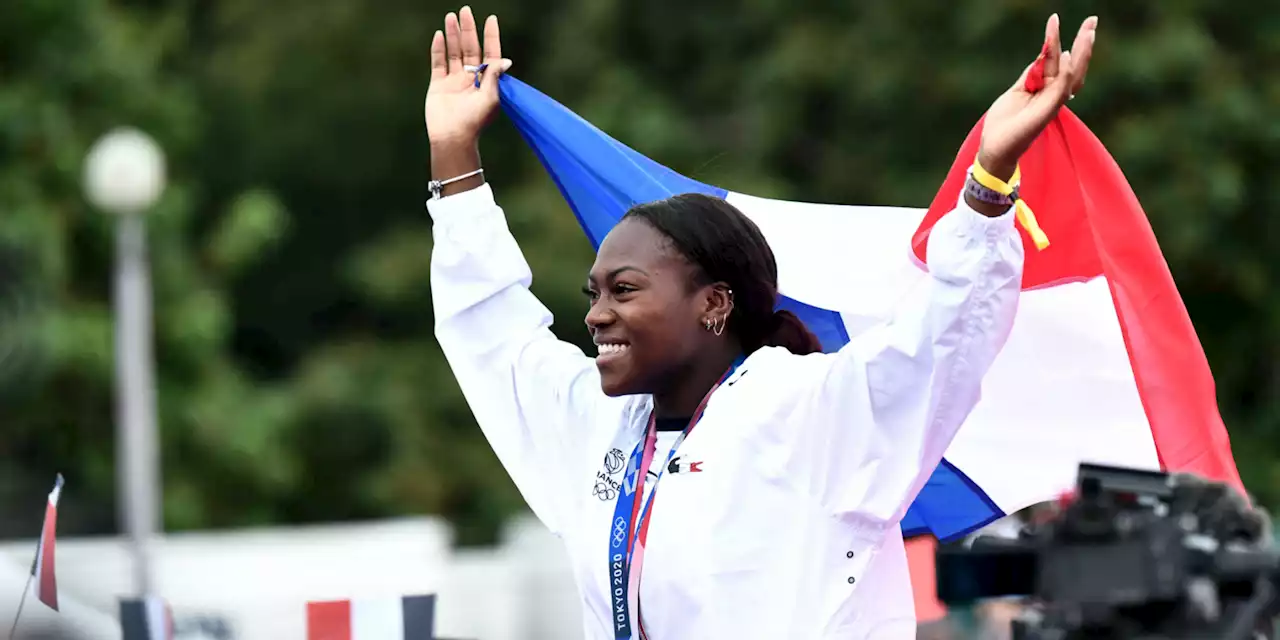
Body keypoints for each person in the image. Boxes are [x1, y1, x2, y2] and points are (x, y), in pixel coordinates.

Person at [424, 6, 1096, 639]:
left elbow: (944, 339)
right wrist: (454, 157)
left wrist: (990, 178)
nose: (597, 315)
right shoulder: (600, 428)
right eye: (593, 292)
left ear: (714, 304)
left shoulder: (809, 413)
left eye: (623, 290)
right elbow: (495, 335)